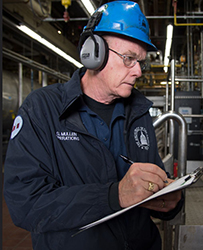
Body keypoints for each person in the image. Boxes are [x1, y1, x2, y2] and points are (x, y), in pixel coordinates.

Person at [3, 1, 183, 249]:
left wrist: (167, 201)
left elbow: (147, 190)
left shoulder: (138, 111)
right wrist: (113, 195)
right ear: (93, 52)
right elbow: (25, 204)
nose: (139, 72)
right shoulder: (42, 110)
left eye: (141, 62)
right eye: (129, 59)